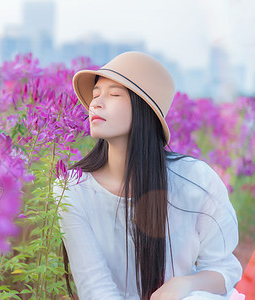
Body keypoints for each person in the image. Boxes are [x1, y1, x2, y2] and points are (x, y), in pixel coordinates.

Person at [52, 51, 243, 300]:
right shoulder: (72, 188)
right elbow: (95, 288)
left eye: (114, 94)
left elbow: (223, 270)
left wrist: (184, 285)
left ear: (144, 109)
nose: (95, 103)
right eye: (96, 94)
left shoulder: (196, 179)